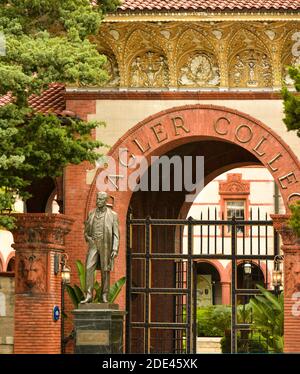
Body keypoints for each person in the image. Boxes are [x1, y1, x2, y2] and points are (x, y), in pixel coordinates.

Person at [81, 191, 119, 303]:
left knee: (105, 270)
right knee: (88, 268)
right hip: (93, 244)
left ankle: (104, 295)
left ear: (106, 201)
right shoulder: (91, 214)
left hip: (105, 245)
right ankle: (88, 295)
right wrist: (89, 239)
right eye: (97, 199)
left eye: (101, 199)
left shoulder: (113, 215)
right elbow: (86, 232)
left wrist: (115, 249)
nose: (98, 201)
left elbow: (116, 234)